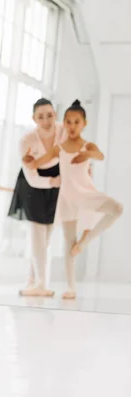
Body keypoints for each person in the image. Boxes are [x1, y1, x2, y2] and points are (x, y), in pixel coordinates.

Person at [26, 100, 123, 299]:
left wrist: (87, 154)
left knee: (117, 209)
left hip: (85, 193)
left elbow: (100, 155)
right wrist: (30, 162)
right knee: (69, 243)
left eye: (76, 122)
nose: (72, 126)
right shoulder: (59, 148)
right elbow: (39, 163)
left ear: (84, 124)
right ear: (64, 123)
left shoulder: (87, 145)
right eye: (68, 122)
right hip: (68, 198)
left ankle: (87, 240)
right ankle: (71, 288)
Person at [8, 98, 65, 297]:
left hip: (57, 183)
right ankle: (41, 283)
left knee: (46, 237)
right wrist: (53, 182)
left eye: (49, 115)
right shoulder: (26, 141)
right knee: (37, 233)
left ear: (55, 115)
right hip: (33, 186)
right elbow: (32, 177)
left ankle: (32, 281)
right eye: (41, 116)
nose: (46, 120)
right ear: (34, 119)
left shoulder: (64, 132)